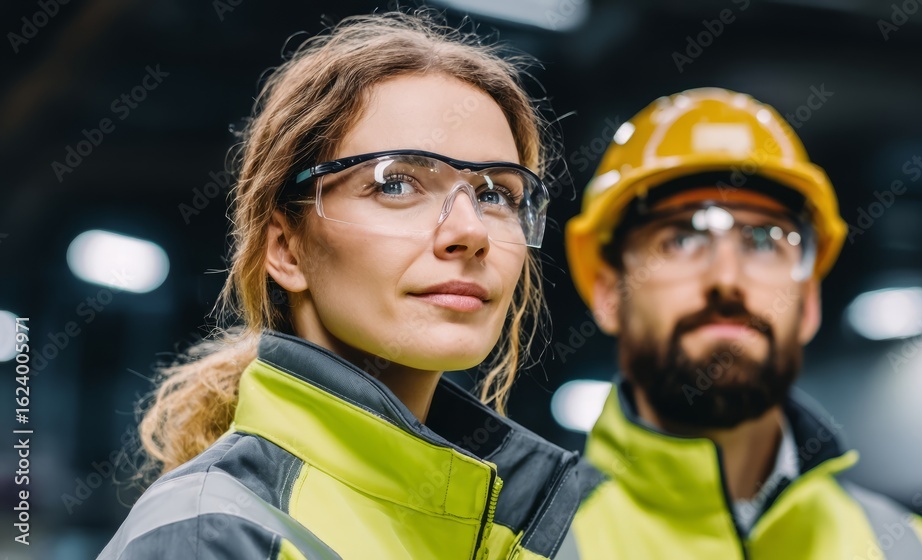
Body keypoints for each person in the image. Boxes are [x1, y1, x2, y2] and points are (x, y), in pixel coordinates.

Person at [99, 12, 599, 560]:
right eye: (397, 184)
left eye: (496, 194)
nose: (470, 232)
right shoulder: (209, 536)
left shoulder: (530, 538)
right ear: (287, 250)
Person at [557, 88, 922, 559]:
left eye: (766, 241)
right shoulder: (524, 545)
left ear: (809, 302)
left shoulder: (916, 552)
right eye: (680, 239)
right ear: (610, 294)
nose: (727, 279)